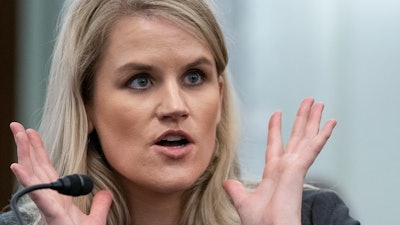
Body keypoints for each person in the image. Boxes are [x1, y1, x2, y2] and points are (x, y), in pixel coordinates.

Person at [1, 0, 360, 225]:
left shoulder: (311, 216)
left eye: (194, 76)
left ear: (219, 97)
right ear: (86, 105)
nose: (175, 106)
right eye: (140, 80)